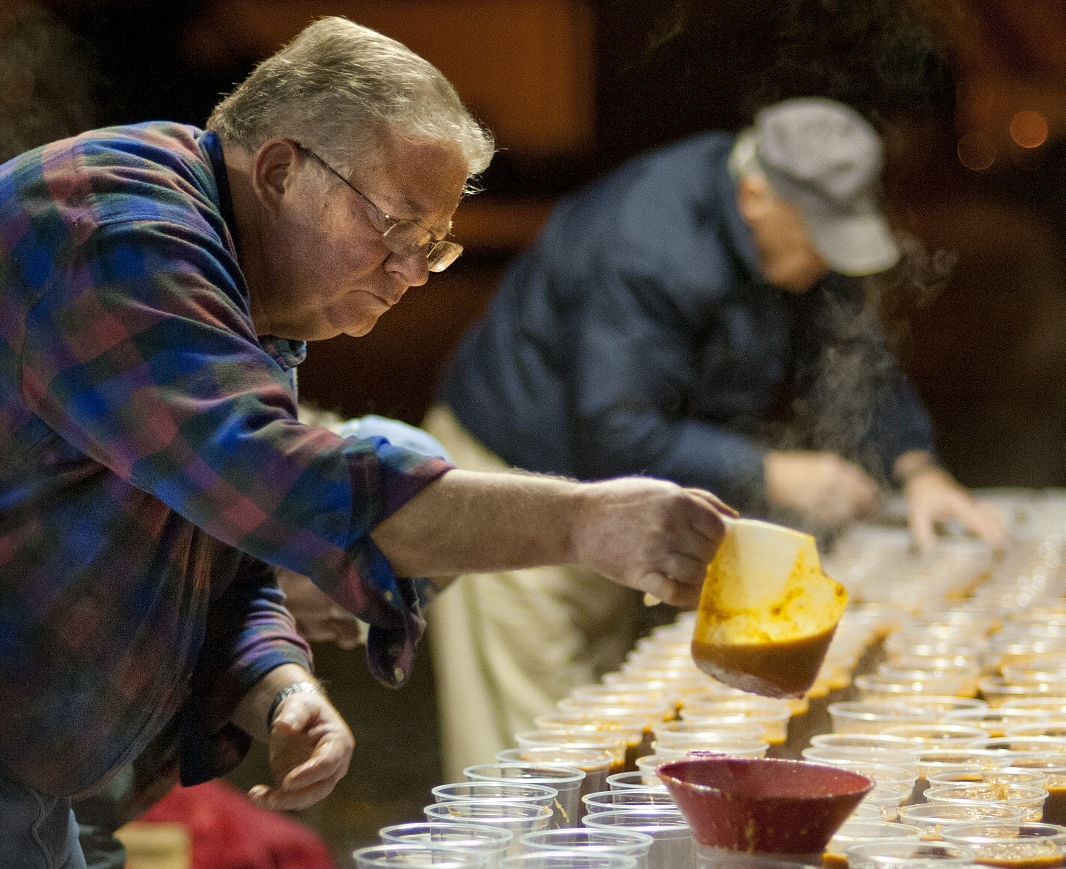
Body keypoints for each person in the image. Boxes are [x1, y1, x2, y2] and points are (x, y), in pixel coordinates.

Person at [0, 15, 736, 866]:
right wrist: (585, 522)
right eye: (396, 227)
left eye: (434, 245)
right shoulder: (120, 235)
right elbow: (277, 481)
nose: (413, 271)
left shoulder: (239, 276)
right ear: (279, 169)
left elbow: (221, 541)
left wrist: (277, 685)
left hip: (46, 775)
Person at [422, 96, 1009, 780]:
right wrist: (776, 473)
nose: (827, 258)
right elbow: (617, 431)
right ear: (756, 194)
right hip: (520, 476)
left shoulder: (792, 236)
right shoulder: (649, 239)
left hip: (614, 500)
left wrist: (916, 467)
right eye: (820, 235)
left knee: (598, 722)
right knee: (537, 762)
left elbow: (848, 350)